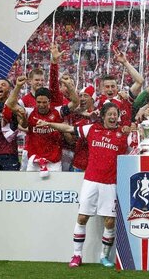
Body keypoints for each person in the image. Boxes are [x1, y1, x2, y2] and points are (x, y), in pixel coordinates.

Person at [37, 103, 131, 268]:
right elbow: (68, 128)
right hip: (91, 181)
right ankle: (77, 255)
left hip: (111, 183)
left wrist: (135, 130)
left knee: (110, 221)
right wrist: (49, 124)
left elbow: (136, 147)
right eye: (110, 114)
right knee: (82, 218)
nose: (113, 117)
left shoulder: (124, 135)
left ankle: (104, 256)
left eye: (115, 114)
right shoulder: (92, 129)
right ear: (103, 116)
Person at [5, 76, 78, 176]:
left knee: (54, 186)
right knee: (31, 186)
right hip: (34, 161)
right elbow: (10, 104)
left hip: (53, 162)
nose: (42, 105)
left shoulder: (58, 112)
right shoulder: (29, 112)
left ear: (49, 101)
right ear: (35, 101)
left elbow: (75, 103)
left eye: (44, 102)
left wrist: (69, 85)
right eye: (39, 102)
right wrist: (17, 86)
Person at [93, 47, 144, 126]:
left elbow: (140, 81)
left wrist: (125, 62)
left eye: (113, 86)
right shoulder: (96, 102)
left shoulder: (124, 99)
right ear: (101, 89)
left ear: (117, 88)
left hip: (125, 133)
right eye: (107, 87)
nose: (110, 89)